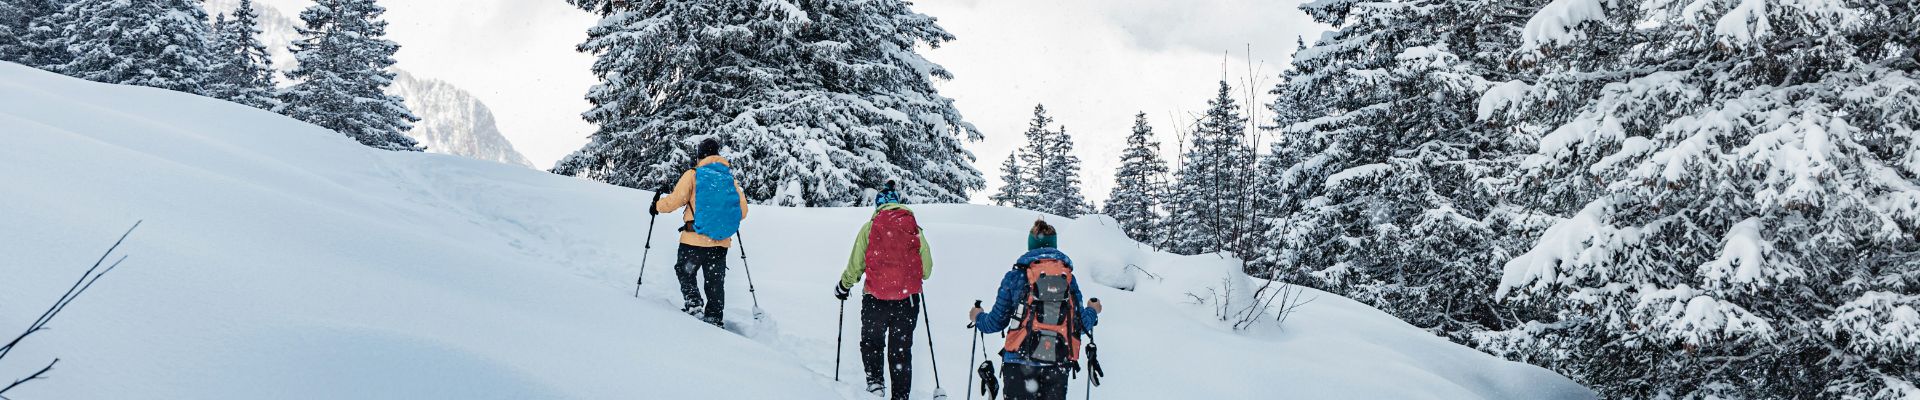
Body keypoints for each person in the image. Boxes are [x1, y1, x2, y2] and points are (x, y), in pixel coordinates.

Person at [969, 247, 1102, 400]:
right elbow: (1080, 325)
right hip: (1056, 364)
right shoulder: (1068, 279)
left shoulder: (1016, 277)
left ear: (1031, 245)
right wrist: (1092, 310)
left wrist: (978, 317)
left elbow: (995, 322)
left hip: (1018, 364)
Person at [834, 197, 934, 399]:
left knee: (872, 343)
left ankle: (875, 385)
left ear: (878, 206)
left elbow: (856, 264)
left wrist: (844, 285)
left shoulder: (870, 227)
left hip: (875, 300)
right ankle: (900, 396)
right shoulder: (915, 228)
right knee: (901, 352)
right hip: (907, 302)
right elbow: (927, 271)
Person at [652, 138, 748, 328]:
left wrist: (656, 206)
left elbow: (675, 200)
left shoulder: (693, 175)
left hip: (693, 240)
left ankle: (694, 304)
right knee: (715, 283)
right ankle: (714, 318)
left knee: (684, 270)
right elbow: (743, 211)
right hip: (720, 243)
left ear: (700, 155)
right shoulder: (730, 179)